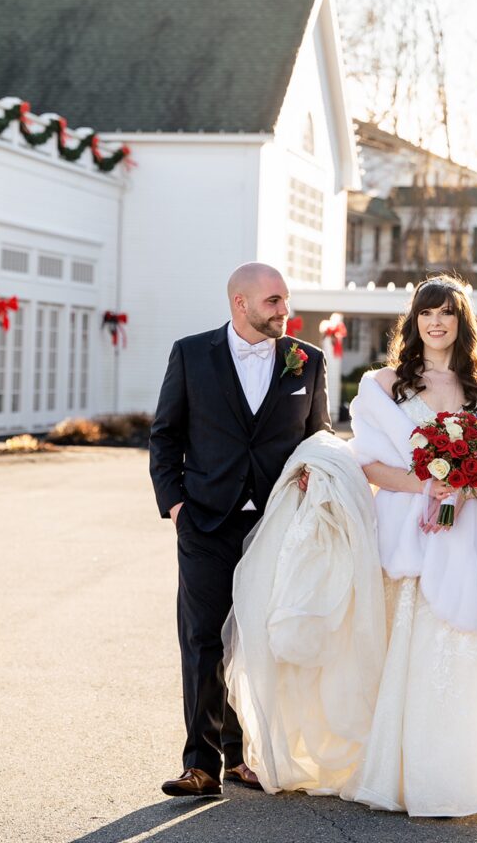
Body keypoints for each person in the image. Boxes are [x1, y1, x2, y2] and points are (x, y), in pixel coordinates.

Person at [225, 274, 477, 819]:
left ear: (462, 323)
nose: (436, 323)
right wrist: (428, 484)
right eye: (427, 313)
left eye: (447, 314)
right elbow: (369, 464)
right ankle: (400, 772)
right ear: (414, 322)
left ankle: (468, 776)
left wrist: (468, 483)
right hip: (406, 535)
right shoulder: (383, 387)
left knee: (465, 643)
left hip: (469, 539)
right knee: (401, 644)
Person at [149, 262, 331, 798]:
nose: (284, 310)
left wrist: (314, 484)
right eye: (273, 301)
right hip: (205, 520)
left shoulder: (308, 361)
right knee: (204, 639)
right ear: (240, 304)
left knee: (259, 642)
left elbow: (319, 437)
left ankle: (244, 755)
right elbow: (164, 436)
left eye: (285, 300)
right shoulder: (191, 354)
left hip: (278, 524)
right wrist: (176, 505)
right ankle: (201, 763)